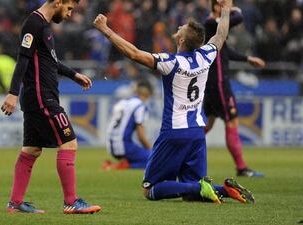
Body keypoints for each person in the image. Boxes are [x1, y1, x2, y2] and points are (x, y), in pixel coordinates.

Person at [94, 0, 255, 204]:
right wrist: (225, 11)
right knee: (190, 196)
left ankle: (201, 186)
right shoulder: (206, 56)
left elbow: (133, 53)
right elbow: (221, 35)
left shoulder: (170, 63)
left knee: (151, 189)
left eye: (181, 28)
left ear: (180, 40)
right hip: (197, 131)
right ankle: (223, 189)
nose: (178, 27)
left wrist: (105, 30)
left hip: (174, 132)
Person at [0, 0, 101, 214]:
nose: (69, 14)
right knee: (69, 143)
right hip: (41, 98)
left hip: (37, 98)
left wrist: (73, 75)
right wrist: (12, 92)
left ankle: (15, 203)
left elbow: (49, 61)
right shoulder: (34, 24)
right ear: (57, 2)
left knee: (32, 149)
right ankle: (71, 201)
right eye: (69, 9)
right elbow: (23, 59)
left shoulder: (42, 26)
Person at [204, 0, 265, 177]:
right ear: (217, 7)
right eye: (226, 2)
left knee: (207, 124)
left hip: (212, 83)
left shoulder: (214, 28)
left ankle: (180, 154)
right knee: (231, 121)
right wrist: (233, 10)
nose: (230, 6)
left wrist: (248, 59)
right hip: (219, 83)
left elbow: (226, 52)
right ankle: (241, 167)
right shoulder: (211, 24)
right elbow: (238, 17)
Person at [103, 79, 153, 170]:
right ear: (147, 93)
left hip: (111, 145)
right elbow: (141, 136)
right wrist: (151, 150)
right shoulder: (140, 106)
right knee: (155, 160)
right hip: (123, 145)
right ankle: (116, 167)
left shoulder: (123, 102)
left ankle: (122, 164)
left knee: (144, 156)